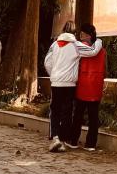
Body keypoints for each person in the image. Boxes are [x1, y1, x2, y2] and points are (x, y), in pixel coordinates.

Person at [43, 21, 102, 153]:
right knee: (67, 112)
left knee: (55, 110)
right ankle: (63, 141)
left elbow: (47, 62)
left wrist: (54, 74)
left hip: (56, 82)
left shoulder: (54, 44)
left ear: (63, 30)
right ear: (74, 33)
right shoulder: (76, 45)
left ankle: (55, 138)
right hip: (69, 84)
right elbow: (93, 51)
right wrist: (98, 41)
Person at [69, 23, 106, 151]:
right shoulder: (102, 51)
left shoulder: (81, 49)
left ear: (89, 35)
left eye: (83, 33)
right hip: (96, 86)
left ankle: (73, 141)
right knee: (93, 117)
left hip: (83, 85)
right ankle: (91, 144)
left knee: (78, 115)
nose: (80, 35)